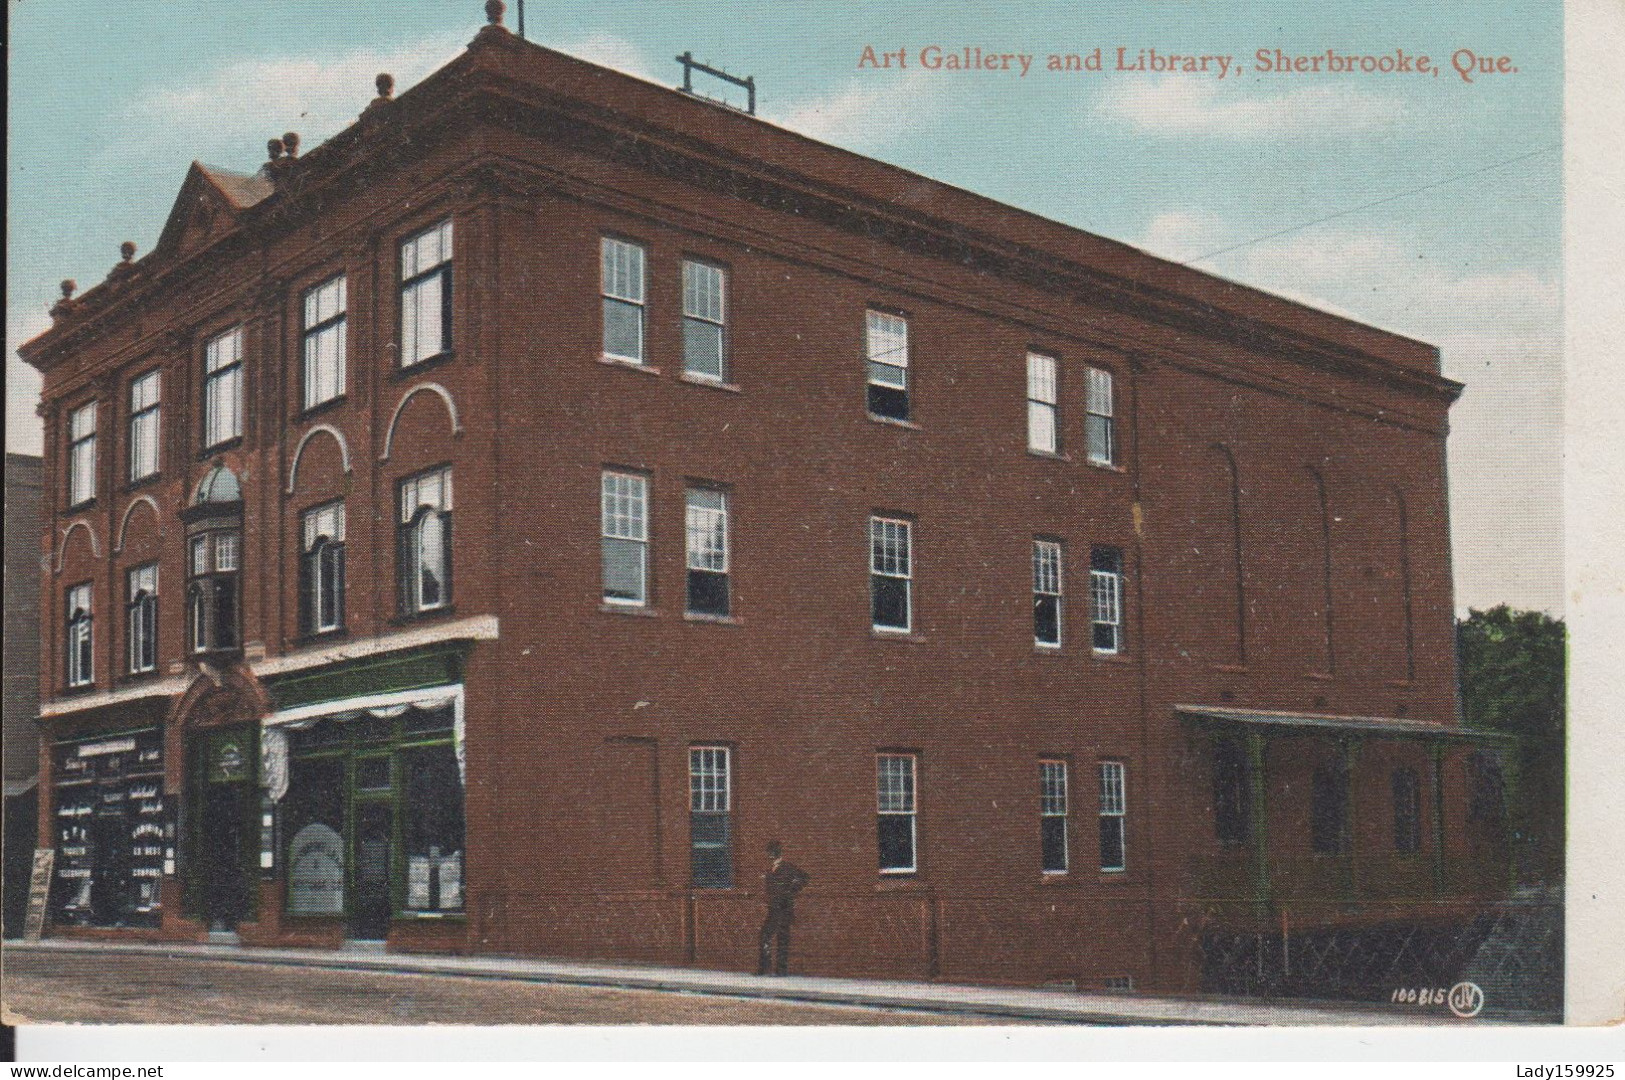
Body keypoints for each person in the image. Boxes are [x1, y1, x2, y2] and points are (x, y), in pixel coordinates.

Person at [757, 839, 810, 976]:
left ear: (777, 853)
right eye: (769, 852)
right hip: (774, 908)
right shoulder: (770, 870)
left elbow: (804, 878)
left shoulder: (787, 867)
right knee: (765, 936)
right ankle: (766, 968)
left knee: (781, 938)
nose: (770, 855)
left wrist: (791, 891)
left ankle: (780, 970)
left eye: (773, 852)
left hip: (784, 908)